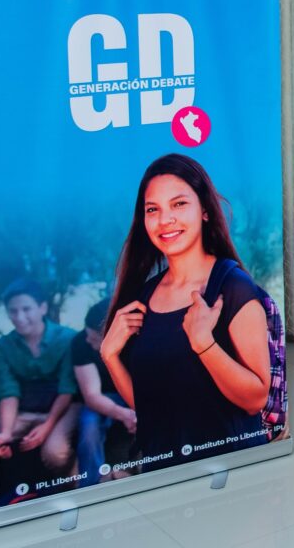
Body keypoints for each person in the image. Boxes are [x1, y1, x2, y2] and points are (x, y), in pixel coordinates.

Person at [101, 154, 272, 469]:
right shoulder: (145, 296)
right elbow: (150, 408)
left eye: (179, 204)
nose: (165, 219)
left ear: (205, 211)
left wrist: (204, 344)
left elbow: (256, 399)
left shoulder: (231, 286)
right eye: (153, 210)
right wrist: (110, 356)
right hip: (165, 473)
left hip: (230, 472)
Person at [0, 279, 80, 480]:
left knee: (55, 453)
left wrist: (46, 427)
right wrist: (5, 433)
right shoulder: (3, 347)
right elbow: (9, 392)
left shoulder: (68, 339)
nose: (20, 317)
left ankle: (80, 483)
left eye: (26, 309)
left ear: (42, 307)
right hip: (24, 407)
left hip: (63, 406)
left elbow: (67, 390)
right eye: (13, 311)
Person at [73, 298, 136, 487]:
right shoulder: (80, 344)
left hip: (134, 393)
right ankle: (91, 482)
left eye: (94, 337)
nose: (88, 339)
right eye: (87, 333)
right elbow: (92, 396)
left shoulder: (136, 341)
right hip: (103, 398)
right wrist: (126, 415)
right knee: (89, 422)